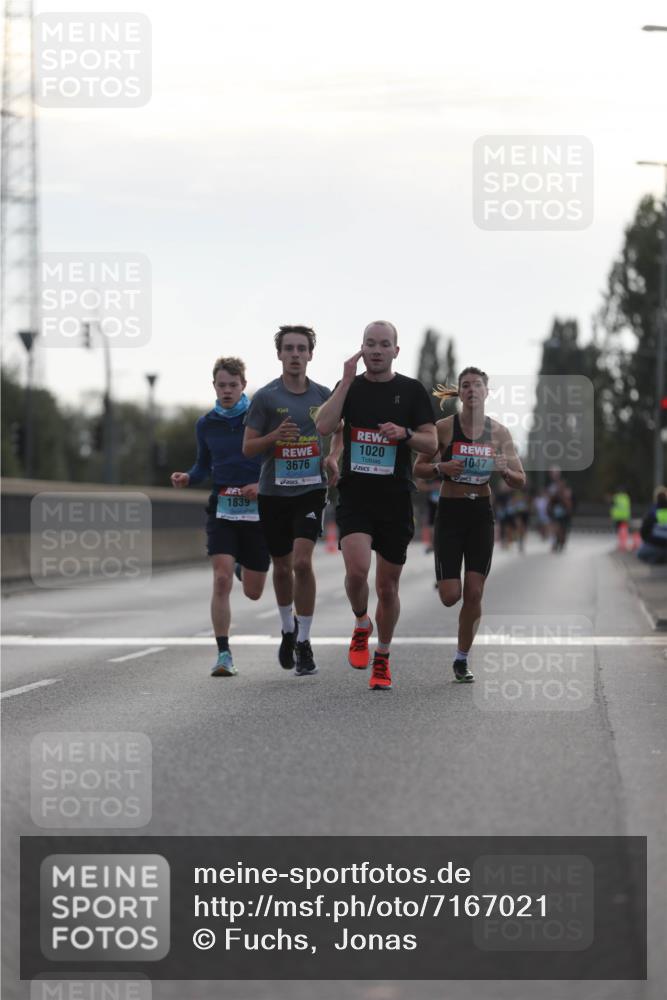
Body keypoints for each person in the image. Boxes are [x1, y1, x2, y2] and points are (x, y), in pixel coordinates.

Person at [315, 320, 436, 690]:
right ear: (362, 348)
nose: (377, 350)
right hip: (355, 495)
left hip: (395, 499)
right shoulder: (349, 387)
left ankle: (382, 656)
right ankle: (360, 622)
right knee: (355, 572)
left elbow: (431, 444)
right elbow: (323, 426)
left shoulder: (412, 391)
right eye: (371, 344)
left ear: (396, 351)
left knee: (387, 587)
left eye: (385, 344)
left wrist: (406, 435)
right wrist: (347, 381)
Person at [413, 367, 526, 682]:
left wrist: (505, 471)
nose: (472, 390)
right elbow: (418, 469)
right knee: (451, 595)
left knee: (474, 593)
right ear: (459, 393)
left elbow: (520, 479)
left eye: (477, 385)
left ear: (487, 392)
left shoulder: (499, 433)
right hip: (450, 513)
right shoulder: (444, 429)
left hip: (480, 515)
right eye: (466, 385)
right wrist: (441, 467)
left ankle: (462, 659)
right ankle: (450, 595)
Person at [242, 325, 340, 676]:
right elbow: (249, 447)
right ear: (280, 354)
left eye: (302, 348)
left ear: (311, 354)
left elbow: (339, 430)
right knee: (281, 567)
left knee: (302, 563)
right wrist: (273, 436)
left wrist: (333, 458)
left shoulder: (323, 395)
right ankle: (287, 628)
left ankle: (305, 641)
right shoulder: (266, 398)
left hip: (311, 490)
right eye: (289, 349)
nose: (296, 354)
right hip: (274, 492)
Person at [170, 356, 269, 677]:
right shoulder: (206, 424)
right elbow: (203, 466)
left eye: (233, 385)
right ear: (214, 386)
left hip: (257, 511)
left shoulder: (257, 420)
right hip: (223, 508)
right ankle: (224, 653)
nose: (227, 390)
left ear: (243, 385)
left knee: (254, 591)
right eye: (221, 385)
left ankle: (245, 566)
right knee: (221, 578)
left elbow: (274, 459)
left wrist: (260, 484)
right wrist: (188, 477)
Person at [637, 488, 667, 564]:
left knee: (640, 554)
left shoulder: (653, 512)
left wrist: (647, 541)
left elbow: (643, 531)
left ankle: (656, 558)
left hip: (654, 544)